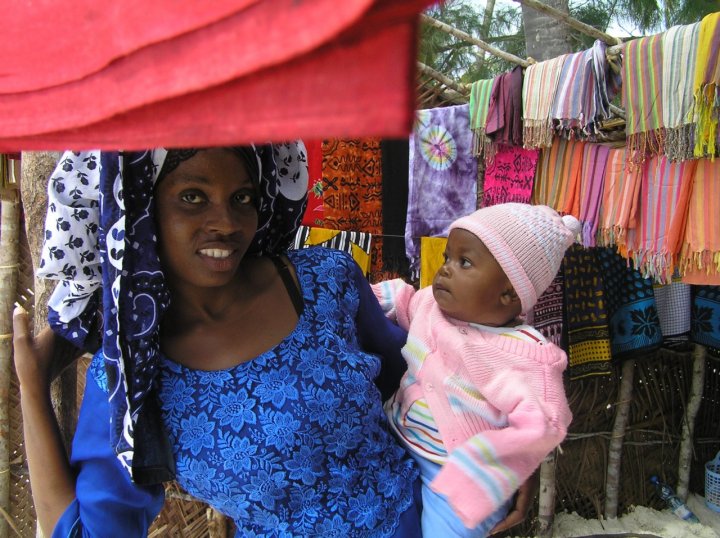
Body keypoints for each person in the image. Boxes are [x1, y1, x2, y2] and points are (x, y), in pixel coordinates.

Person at [13, 144, 538, 537]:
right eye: (193, 197)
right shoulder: (132, 373)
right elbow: (88, 530)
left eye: (241, 197)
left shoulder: (322, 281)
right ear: (142, 210)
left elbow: (430, 381)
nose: (226, 222)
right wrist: (31, 391)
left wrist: (500, 460)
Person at [371, 203, 578, 537]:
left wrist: (493, 463)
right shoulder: (431, 307)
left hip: (457, 478)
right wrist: (359, 294)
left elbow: (547, 421)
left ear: (509, 292)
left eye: (464, 262)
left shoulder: (526, 356)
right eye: (447, 258)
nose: (446, 270)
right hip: (395, 440)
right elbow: (401, 298)